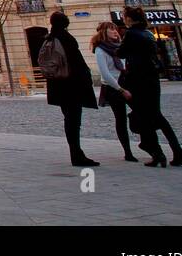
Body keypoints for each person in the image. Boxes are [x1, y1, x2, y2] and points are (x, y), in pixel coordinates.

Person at [120, 6, 182, 167]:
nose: (123, 19)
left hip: (138, 79)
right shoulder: (148, 33)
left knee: (145, 116)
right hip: (152, 79)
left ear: (129, 18)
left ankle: (157, 152)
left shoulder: (131, 33)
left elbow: (121, 53)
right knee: (157, 116)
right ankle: (177, 152)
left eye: (124, 16)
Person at [43, 11, 99, 167]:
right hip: (71, 85)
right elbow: (77, 63)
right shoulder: (66, 39)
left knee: (69, 119)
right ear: (66, 23)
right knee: (74, 120)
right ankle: (76, 153)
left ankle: (76, 152)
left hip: (57, 84)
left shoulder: (49, 38)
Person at [90, 21, 137, 162]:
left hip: (126, 84)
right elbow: (105, 74)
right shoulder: (100, 50)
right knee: (121, 119)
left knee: (140, 113)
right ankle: (127, 151)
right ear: (104, 32)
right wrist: (120, 89)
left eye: (115, 29)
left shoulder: (120, 47)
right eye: (111, 30)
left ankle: (146, 143)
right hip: (113, 88)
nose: (115, 32)